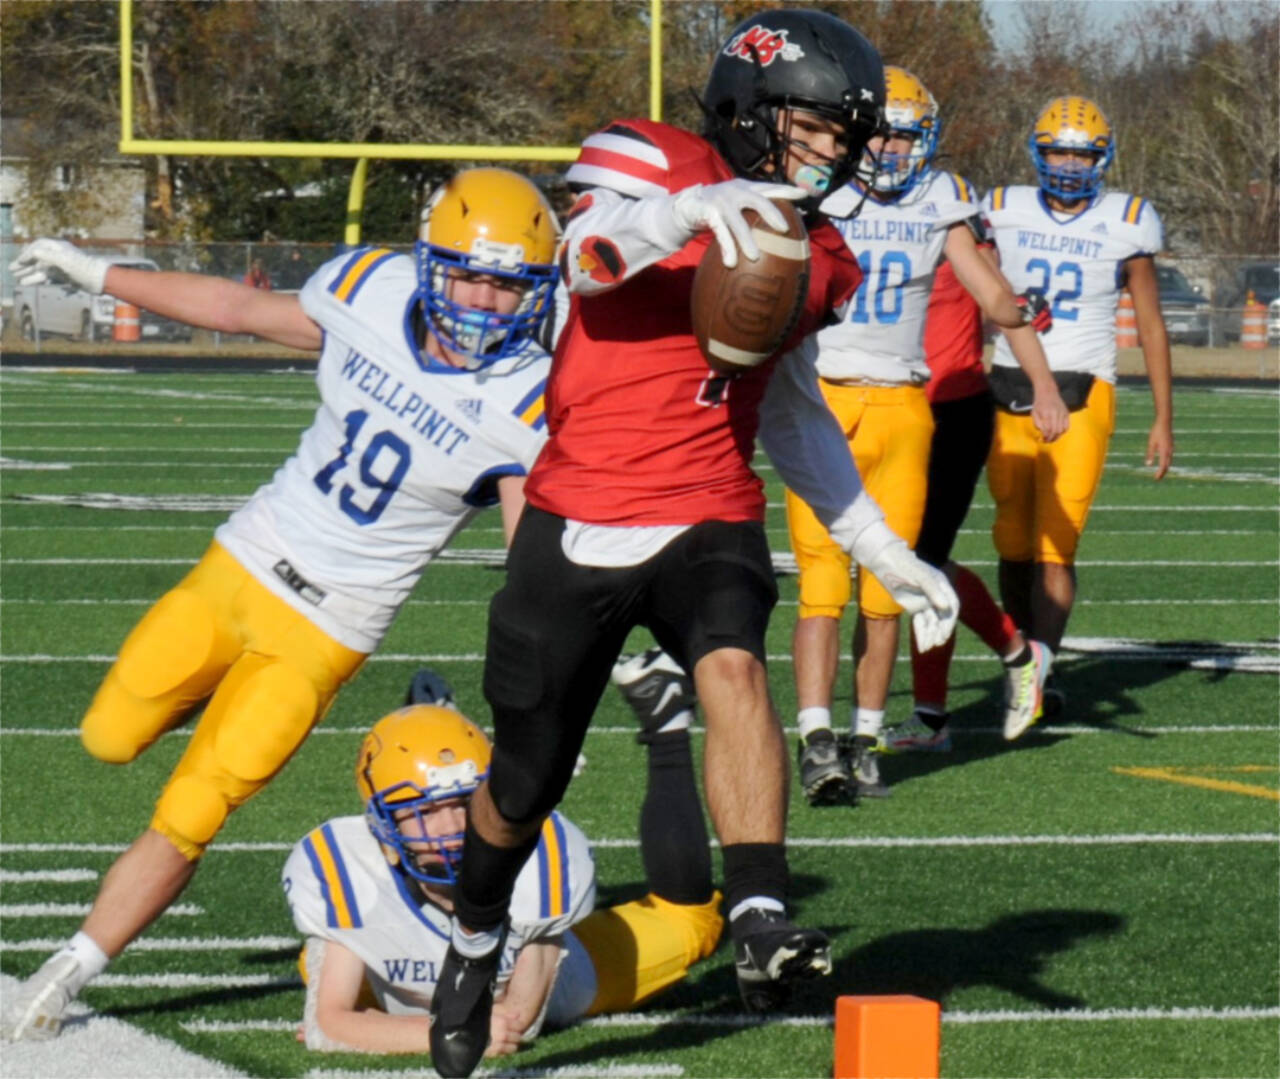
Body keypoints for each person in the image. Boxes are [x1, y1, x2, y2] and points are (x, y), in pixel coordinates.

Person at [426, 12, 961, 1077]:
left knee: (730, 660)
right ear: (751, 114)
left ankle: (760, 904)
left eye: (842, 136)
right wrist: (694, 212)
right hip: (579, 511)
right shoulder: (651, 162)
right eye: (815, 128)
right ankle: (473, 934)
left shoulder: (818, 251)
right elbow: (582, 261)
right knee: (522, 782)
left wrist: (880, 547)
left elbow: (793, 410)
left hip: (708, 503)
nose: (836, 154)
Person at [0, 168, 561, 1043]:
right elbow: (234, 309)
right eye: (470, 275)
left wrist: (579, 639)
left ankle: (70, 967)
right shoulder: (366, 291)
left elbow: (531, 562)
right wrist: (94, 269)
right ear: (427, 264)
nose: (486, 301)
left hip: (329, 628)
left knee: (196, 808)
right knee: (107, 734)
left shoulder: (530, 397)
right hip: (244, 565)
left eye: (508, 284)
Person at [788, 67, 1069, 805]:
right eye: (878, 131)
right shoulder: (819, 186)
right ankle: (817, 737)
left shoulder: (942, 199)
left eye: (905, 134)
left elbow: (993, 295)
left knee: (891, 586)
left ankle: (868, 736)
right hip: (822, 401)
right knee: (821, 587)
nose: (889, 147)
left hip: (907, 408)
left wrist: (1030, 347)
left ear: (926, 138)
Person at [283, 689, 721, 1058]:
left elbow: (515, 1022)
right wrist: (433, 1033)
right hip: (401, 982)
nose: (450, 828)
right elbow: (330, 1024)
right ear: (382, 824)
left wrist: (382, 1030)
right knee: (318, 963)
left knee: (691, 924)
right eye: (425, 812)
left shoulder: (542, 849)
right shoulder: (346, 867)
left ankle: (667, 724)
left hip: (566, 983)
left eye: (461, 803)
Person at [982, 96, 1173, 715]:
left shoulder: (1128, 220)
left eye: (1082, 153)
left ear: (1103, 158)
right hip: (1009, 381)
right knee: (1011, 539)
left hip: (1085, 385)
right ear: (1038, 152)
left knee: (1055, 543)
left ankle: (1043, 668)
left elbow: (1149, 323)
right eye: (1060, 150)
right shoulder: (1000, 210)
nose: (1069, 163)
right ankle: (1021, 661)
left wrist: (1164, 416)